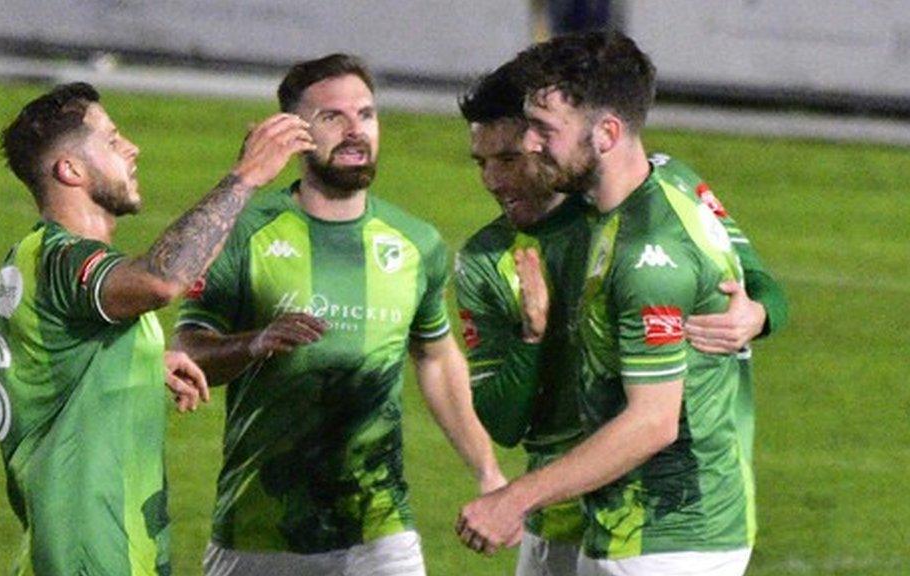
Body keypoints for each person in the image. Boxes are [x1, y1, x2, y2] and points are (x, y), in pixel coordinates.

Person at [456, 31, 784, 576]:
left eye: (526, 143)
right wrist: (532, 335)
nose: (495, 178)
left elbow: (653, 421)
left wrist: (758, 314)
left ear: (604, 133)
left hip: (661, 522)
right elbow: (502, 421)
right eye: (480, 162)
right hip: (581, 513)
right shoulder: (499, 255)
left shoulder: (648, 236)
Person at [173, 53, 505, 576]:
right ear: (293, 133)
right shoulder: (241, 233)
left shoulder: (415, 243)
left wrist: (487, 472)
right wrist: (253, 344)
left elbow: (437, 358)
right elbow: (185, 353)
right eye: (333, 118)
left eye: (367, 115)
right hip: (258, 531)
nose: (355, 131)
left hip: (379, 533)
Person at [0, 81, 314, 575]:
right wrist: (246, 177)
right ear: (70, 170)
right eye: (112, 141)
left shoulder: (30, 258)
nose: (132, 148)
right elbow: (161, 281)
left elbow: (36, 365)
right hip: (92, 554)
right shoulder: (64, 259)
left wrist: (135, 363)